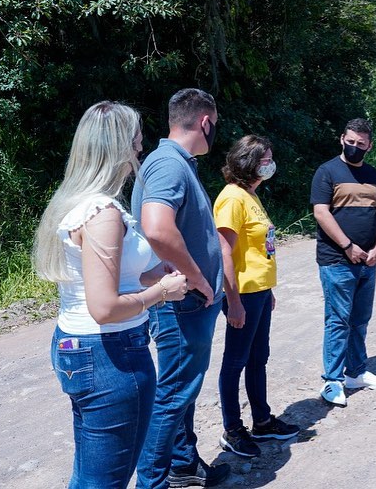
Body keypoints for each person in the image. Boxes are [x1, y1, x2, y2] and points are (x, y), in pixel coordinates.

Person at [32, 101, 189, 488]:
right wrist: (161, 291)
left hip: (79, 347)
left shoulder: (77, 202)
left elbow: (104, 276)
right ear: (118, 145)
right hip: (110, 353)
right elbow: (104, 307)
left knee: (89, 475)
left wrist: (149, 271)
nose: (140, 147)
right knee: (106, 482)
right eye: (136, 139)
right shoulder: (103, 212)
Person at [132, 89, 230, 488]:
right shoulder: (168, 165)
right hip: (182, 304)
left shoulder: (173, 163)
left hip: (187, 303)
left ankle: (184, 465)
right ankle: (152, 481)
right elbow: (157, 228)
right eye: (215, 126)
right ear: (205, 122)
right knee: (172, 393)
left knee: (182, 392)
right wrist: (198, 279)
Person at [213, 135, 300, 458]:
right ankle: (232, 429)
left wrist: (269, 289)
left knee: (258, 358)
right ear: (249, 162)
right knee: (234, 362)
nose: (270, 164)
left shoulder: (250, 195)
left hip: (259, 293)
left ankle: (262, 421)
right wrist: (233, 301)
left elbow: (260, 248)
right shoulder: (232, 198)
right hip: (243, 295)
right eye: (266, 159)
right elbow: (225, 252)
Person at [311, 118, 376, 406]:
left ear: (369, 145)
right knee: (337, 321)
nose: (355, 147)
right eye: (350, 141)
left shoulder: (372, 174)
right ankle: (332, 381)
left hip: (368, 261)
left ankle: (356, 372)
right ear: (342, 138)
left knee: (360, 321)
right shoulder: (327, 171)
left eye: (361, 143)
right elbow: (321, 213)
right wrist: (348, 246)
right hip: (337, 261)